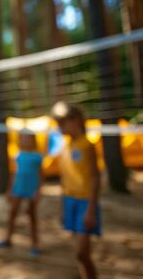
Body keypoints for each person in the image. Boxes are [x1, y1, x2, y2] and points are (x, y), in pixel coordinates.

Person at [51, 102, 101, 279]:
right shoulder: (65, 147)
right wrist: (63, 208)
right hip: (69, 202)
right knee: (79, 255)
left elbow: (96, 178)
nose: (60, 127)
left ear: (76, 121)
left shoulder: (87, 145)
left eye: (62, 122)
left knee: (82, 253)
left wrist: (91, 209)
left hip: (85, 203)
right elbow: (65, 181)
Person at [0, 131, 43, 256]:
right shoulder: (18, 155)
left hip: (31, 189)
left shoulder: (37, 157)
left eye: (28, 138)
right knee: (12, 213)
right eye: (23, 138)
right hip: (18, 188)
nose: (25, 141)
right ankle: (7, 239)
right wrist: (10, 189)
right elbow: (14, 174)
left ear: (33, 140)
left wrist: (38, 191)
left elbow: (41, 175)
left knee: (31, 216)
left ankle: (34, 244)